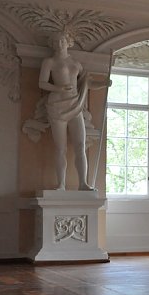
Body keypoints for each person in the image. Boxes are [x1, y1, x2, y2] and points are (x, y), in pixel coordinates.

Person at [39, 32, 97, 191]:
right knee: (61, 148)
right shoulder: (49, 62)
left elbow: (86, 83)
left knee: (80, 145)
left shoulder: (76, 63)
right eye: (56, 41)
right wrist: (58, 88)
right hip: (57, 106)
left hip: (75, 105)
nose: (59, 44)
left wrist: (105, 83)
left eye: (62, 41)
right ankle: (61, 184)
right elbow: (42, 83)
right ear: (52, 44)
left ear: (68, 42)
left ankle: (83, 183)